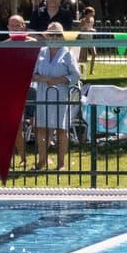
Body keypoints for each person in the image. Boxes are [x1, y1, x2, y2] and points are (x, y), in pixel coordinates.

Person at [30, 24, 81, 172]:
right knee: (41, 129)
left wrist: (59, 80)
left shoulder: (67, 53)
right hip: (42, 95)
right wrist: (42, 78)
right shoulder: (41, 53)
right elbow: (32, 73)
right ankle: (42, 161)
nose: (54, 38)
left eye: (57, 35)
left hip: (60, 96)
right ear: (46, 36)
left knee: (61, 130)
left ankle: (61, 164)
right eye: (51, 34)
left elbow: (76, 75)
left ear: (62, 36)